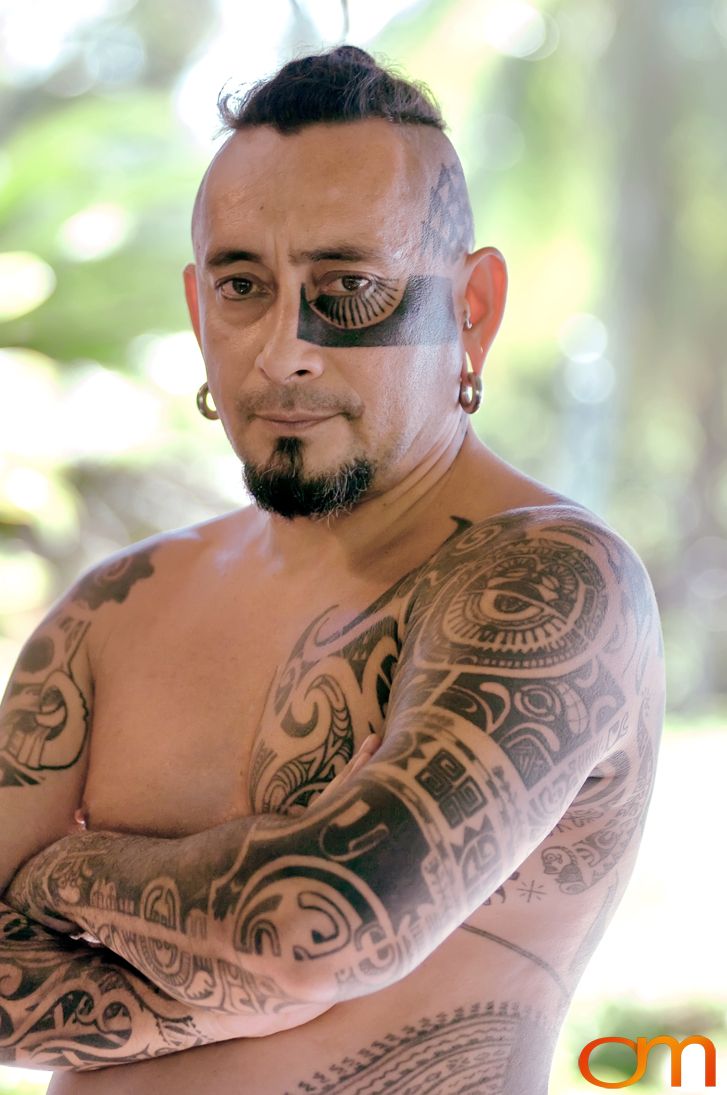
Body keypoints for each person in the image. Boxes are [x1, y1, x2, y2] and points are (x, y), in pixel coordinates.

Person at [0, 45, 664, 1095]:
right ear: (196, 306)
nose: (280, 351)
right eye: (242, 286)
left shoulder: (545, 582)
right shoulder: (112, 613)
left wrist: (64, 875)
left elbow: (316, 932)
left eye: (346, 286)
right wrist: (232, 968)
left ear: (473, 308)